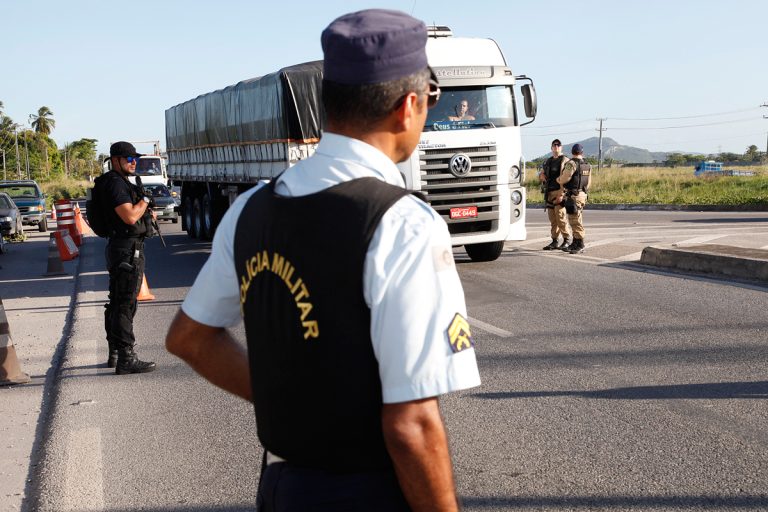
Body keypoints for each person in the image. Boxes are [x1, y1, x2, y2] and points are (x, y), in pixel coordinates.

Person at [165, 9, 481, 512]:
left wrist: (288, 405)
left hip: (283, 490)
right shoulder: (402, 222)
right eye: (433, 100)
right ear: (408, 106)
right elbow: (412, 425)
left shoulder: (252, 207)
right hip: (368, 492)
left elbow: (189, 338)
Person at [102, 141, 157, 374]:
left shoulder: (119, 182)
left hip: (123, 247)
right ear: (115, 160)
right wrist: (144, 201)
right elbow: (129, 217)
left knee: (118, 301)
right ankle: (126, 357)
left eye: (135, 158)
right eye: (129, 158)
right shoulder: (115, 184)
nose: (134, 162)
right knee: (125, 303)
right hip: (126, 249)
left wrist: (147, 209)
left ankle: (115, 352)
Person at [556, 143, 592, 254]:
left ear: (572, 152)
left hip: (574, 196)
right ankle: (575, 242)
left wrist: (558, 180)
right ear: (582, 152)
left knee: (575, 220)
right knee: (575, 218)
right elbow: (588, 183)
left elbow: (565, 178)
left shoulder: (571, 164)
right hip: (582, 194)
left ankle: (580, 244)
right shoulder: (587, 165)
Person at [538, 139, 571, 250]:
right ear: (551, 148)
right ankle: (555, 241)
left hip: (559, 191)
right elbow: (542, 172)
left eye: (558, 145)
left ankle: (567, 239)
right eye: (554, 145)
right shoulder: (548, 161)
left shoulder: (565, 160)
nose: (556, 147)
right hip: (550, 192)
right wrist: (541, 175)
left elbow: (568, 178)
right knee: (553, 219)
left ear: (561, 147)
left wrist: (562, 194)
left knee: (561, 217)